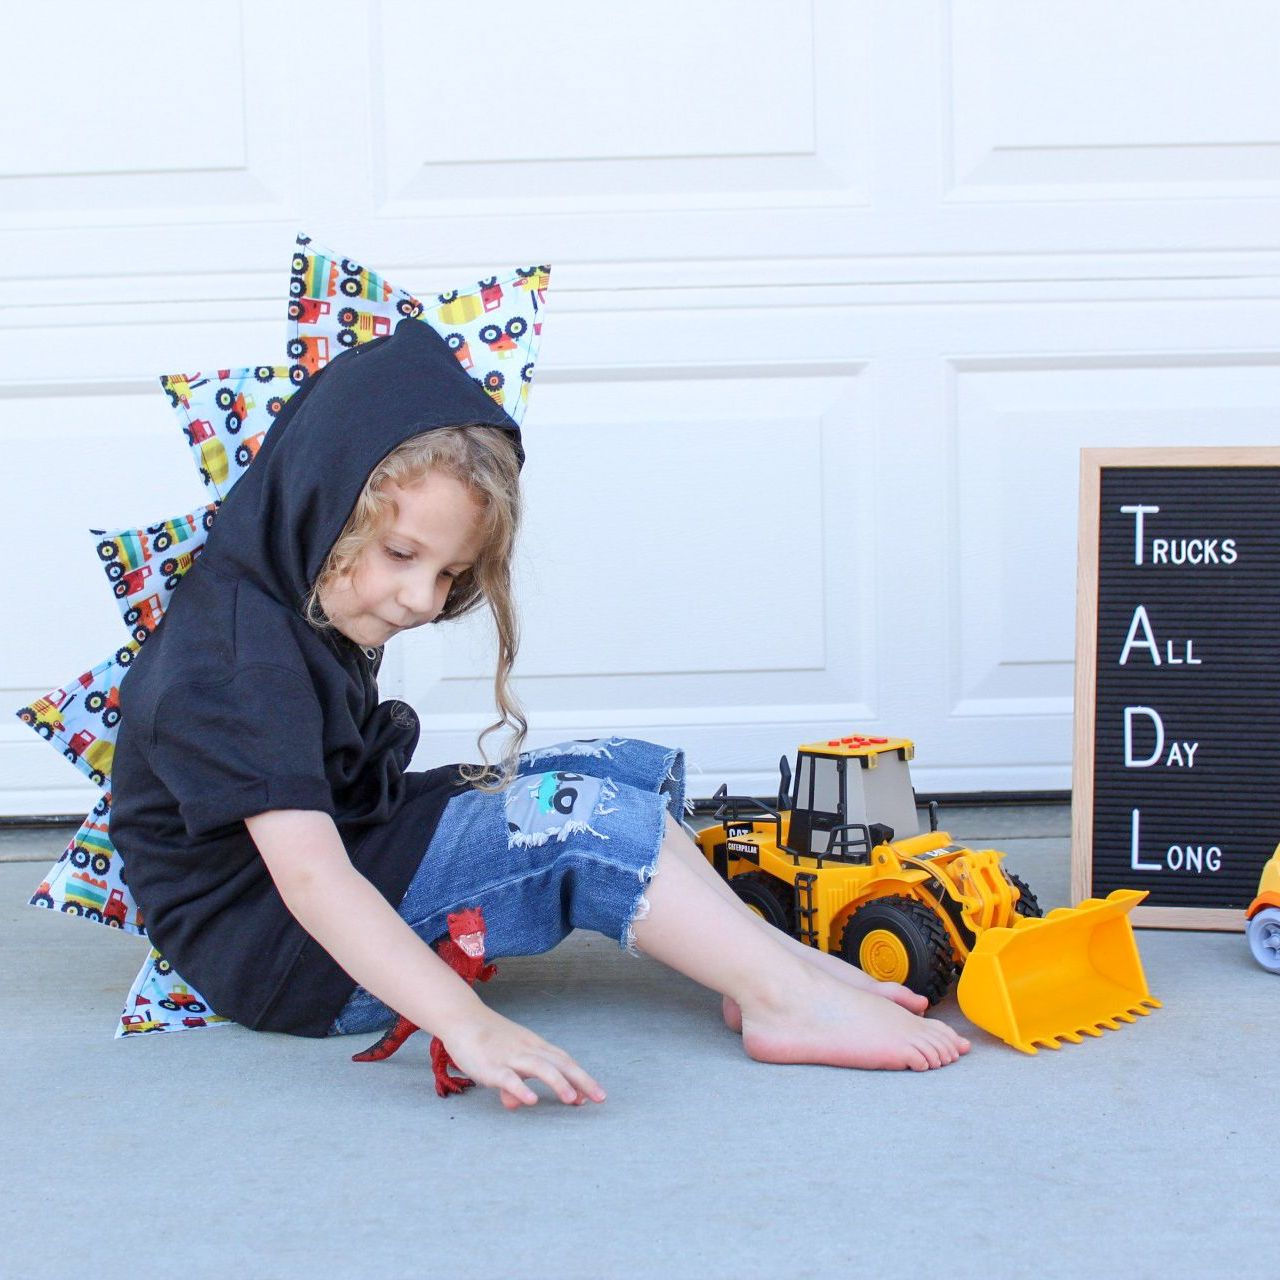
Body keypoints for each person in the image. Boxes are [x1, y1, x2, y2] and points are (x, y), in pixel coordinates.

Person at [110, 318, 968, 1111]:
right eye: (402, 555)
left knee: (600, 770)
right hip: (294, 958)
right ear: (316, 500)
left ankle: (770, 964)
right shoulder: (233, 662)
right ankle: (787, 1004)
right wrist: (464, 1021)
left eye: (448, 574)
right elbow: (312, 880)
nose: (421, 598)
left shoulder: (298, 590)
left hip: (332, 873)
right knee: (572, 823)